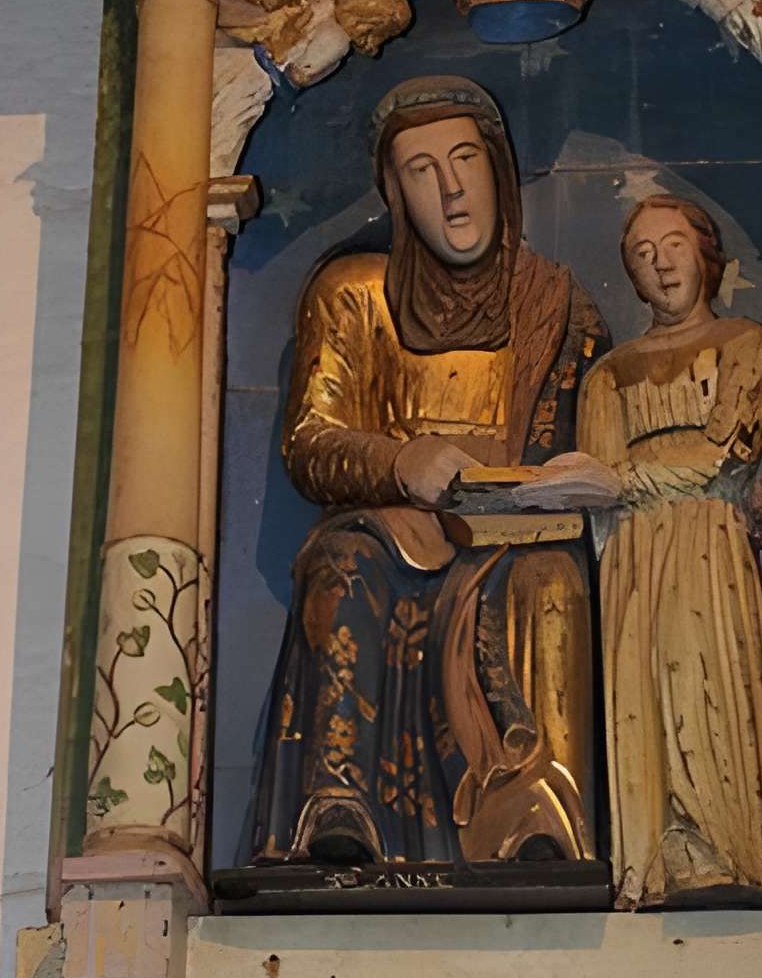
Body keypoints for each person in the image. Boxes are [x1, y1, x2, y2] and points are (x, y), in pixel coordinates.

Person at [249, 76, 615, 868]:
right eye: (421, 170)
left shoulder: (556, 304)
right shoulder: (354, 295)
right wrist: (398, 460)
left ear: (499, 172)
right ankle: (341, 806)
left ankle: (541, 824)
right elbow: (309, 441)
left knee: (554, 582)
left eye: (464, 161)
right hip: (391, 534)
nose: (451, 191)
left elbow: (606, 435)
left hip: (512, 539)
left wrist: (597, 473)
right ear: (393, 190)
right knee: (344, 565)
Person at [577, 196, 762, 906]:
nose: (661, 262)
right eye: (643, 255)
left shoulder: (747, 344)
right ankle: (648, 864)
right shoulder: (608, 375)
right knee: (640, 690)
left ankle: (728, 853)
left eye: (673, 244)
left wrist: (635, 478)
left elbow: (725, 453)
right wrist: (615, 484)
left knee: (704, 681)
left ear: (706, 256)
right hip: (634, 556)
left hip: (705, 545)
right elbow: (597, 477)